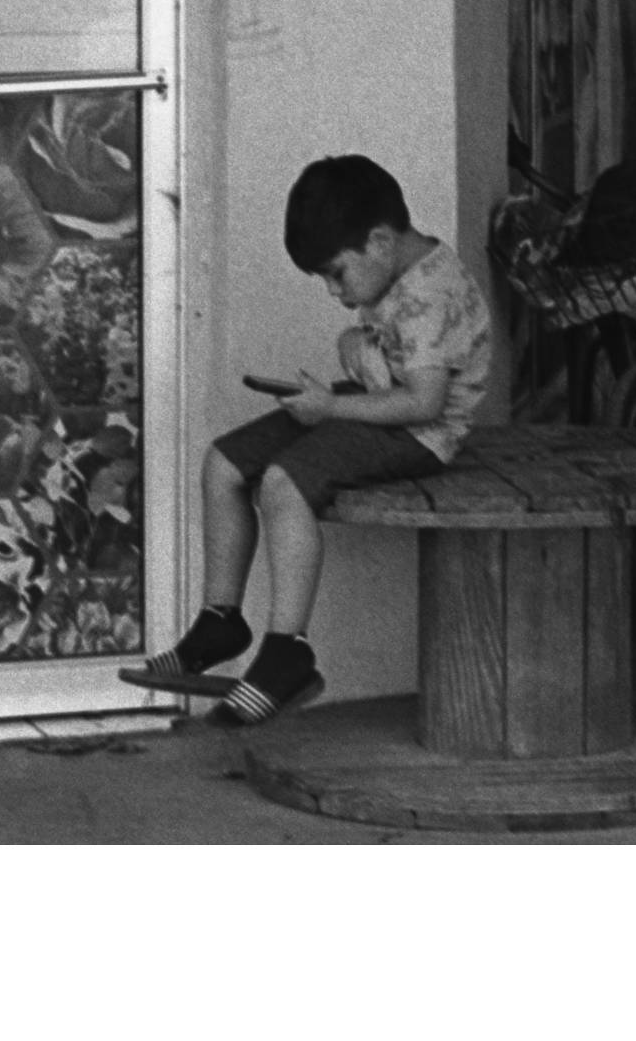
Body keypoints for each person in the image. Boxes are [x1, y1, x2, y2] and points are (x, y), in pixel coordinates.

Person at [121, 154, 492, 726]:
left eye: (336, 273)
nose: (331, 290)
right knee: (224, 462)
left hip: (420, 434)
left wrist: (332, 406)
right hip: (379, 404)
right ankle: (221, 620)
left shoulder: (428, 295)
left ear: (380, 242)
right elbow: (397, 356)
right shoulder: (395, 271)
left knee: (284, 483)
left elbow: (425, 403)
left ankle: (285, 652)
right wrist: (355, 342)